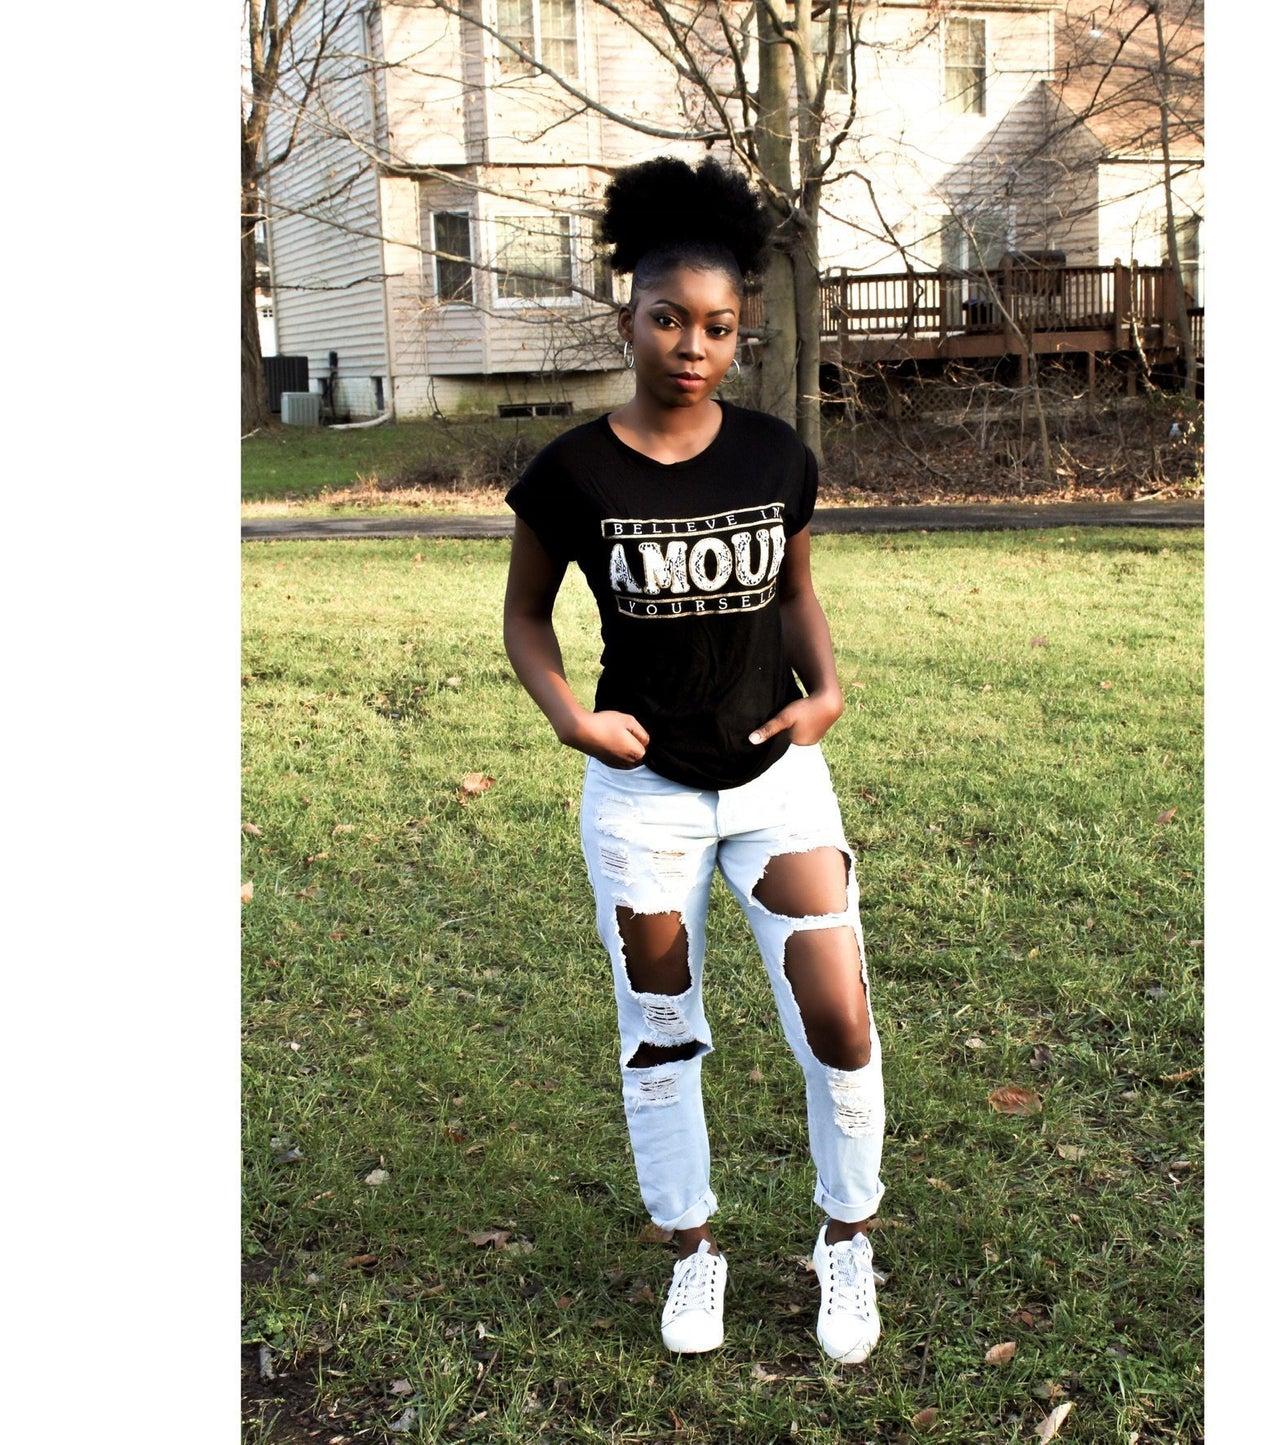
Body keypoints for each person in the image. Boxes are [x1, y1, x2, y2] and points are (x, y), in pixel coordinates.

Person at [502, 156, 886, 1364]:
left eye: (717, 325)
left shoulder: (774, 457)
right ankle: (693, 1249)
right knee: (659, 1030)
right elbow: (523, 616)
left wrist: (825, 691)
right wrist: (569, 714)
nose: (690, 343)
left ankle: (845, 1236)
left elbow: (797, 592)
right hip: (642, 801)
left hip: (776, 782)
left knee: (839, 1017)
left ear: (740, 336)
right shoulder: (572, 471)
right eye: (667, 317)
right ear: (627, 316)